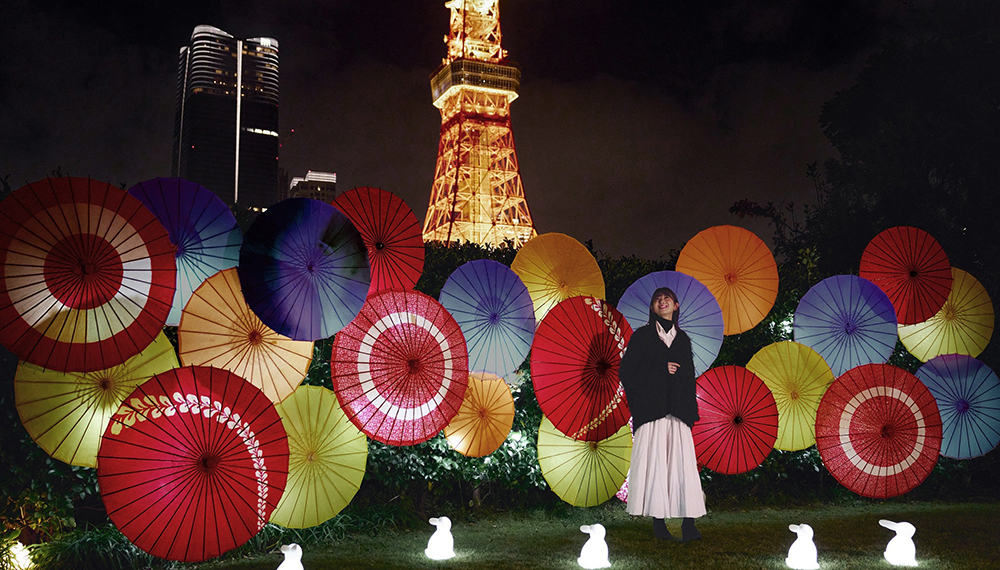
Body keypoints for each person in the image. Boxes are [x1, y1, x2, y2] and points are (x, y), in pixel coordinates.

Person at [618, 287, 706, 542]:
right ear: (652, 308)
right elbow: (627, 373)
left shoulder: (683, 339)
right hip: (652, 412)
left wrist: (689, 412)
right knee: (656, 466)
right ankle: (659, 524)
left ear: (675, 306)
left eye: (667, 298)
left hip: (677, 412)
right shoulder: (642, 337)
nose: (662, 301)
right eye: (657, 298)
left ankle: (688, 524)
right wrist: (659, 369)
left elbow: (688, 377)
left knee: (683, 466)